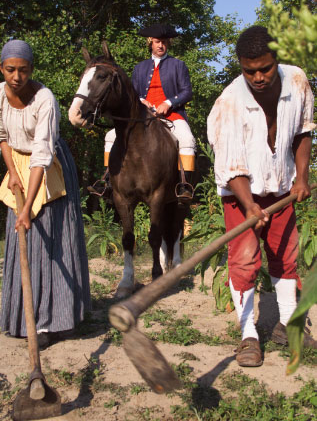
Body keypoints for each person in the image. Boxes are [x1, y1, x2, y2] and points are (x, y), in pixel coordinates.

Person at [207, 26, 316, 367]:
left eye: (264, 68)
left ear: (276, 60)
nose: (257, 76)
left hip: (282, 185)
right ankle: (248, 336)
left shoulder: (297, 82)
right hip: (241, 194)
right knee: (243, 260)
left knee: (285, 253)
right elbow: (231, 166)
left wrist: (302, 177)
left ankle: (287, 324)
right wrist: (250, 204)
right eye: (248, 70)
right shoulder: (228, 103)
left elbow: (302, 131)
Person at [0, 40, 91, 349]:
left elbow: (41, 154)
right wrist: (12, 172)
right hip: (18, 165)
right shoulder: (0, 94)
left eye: (23, 70)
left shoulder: (44, 99)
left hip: (48, 167)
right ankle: (22, 319)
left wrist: (27, 207)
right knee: (22, 240)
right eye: (10, 70)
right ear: (2, 69)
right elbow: (2, 137)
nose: (16, 77)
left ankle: (51, 323)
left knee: (46, 243)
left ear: (31, 71)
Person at [91, 23, 196, 200]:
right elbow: (132, 94)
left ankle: (184, 185)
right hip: (141, 116)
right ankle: (108, 181)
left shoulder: (178, 65)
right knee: (110, 137)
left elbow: (187, 92)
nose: (160, 45)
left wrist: (168, 103)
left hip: (171, 115)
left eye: (163, 42)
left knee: (187, 140)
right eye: (156, 42)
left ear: (168, 43)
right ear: (150, 43)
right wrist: (141, 101)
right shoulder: (139, 68)